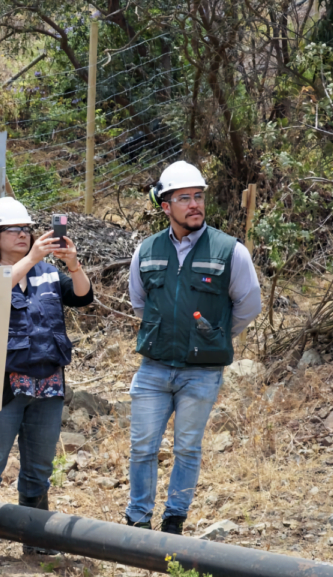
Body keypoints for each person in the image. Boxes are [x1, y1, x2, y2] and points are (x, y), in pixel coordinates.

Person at [125, 161, 261, 535]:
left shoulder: (230, 251)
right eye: (184, 198)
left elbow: (249, 305)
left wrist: (211, 337)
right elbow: (141, 304)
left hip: (201, 372)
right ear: (165, 206)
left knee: (186, 447)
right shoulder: (146, 250)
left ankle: (174, 520)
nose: (194, 204)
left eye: (198, 196)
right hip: (153, 369)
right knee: (142, 447)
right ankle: (137, 519)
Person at [0, 199, 93, 567]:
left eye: (27, 228)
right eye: (14, 230)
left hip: (48, 385)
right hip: (3, 387)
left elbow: (83, 297)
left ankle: (34, 541)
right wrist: (31, 258)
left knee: (39, 468)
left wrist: (74, 265)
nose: (23, 234)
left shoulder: (48, 272)